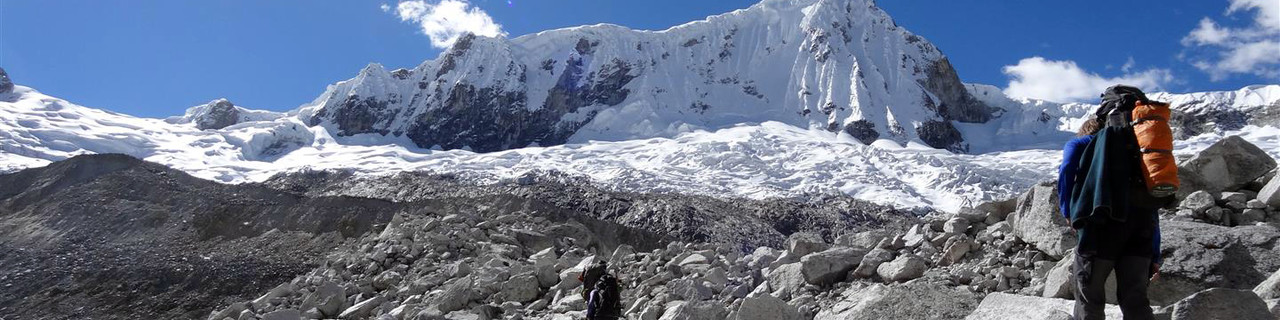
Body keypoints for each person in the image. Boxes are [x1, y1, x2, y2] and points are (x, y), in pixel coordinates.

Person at [1059, 85, 1167, 320]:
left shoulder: (1082, 144)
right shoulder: (1142, 152)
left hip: (1100, 229)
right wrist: (1154, 254)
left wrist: (1068, 211)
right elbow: (1152, 206)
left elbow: (1067, 170)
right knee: (1136, 301)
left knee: (1089, 297)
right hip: (1141, 231)